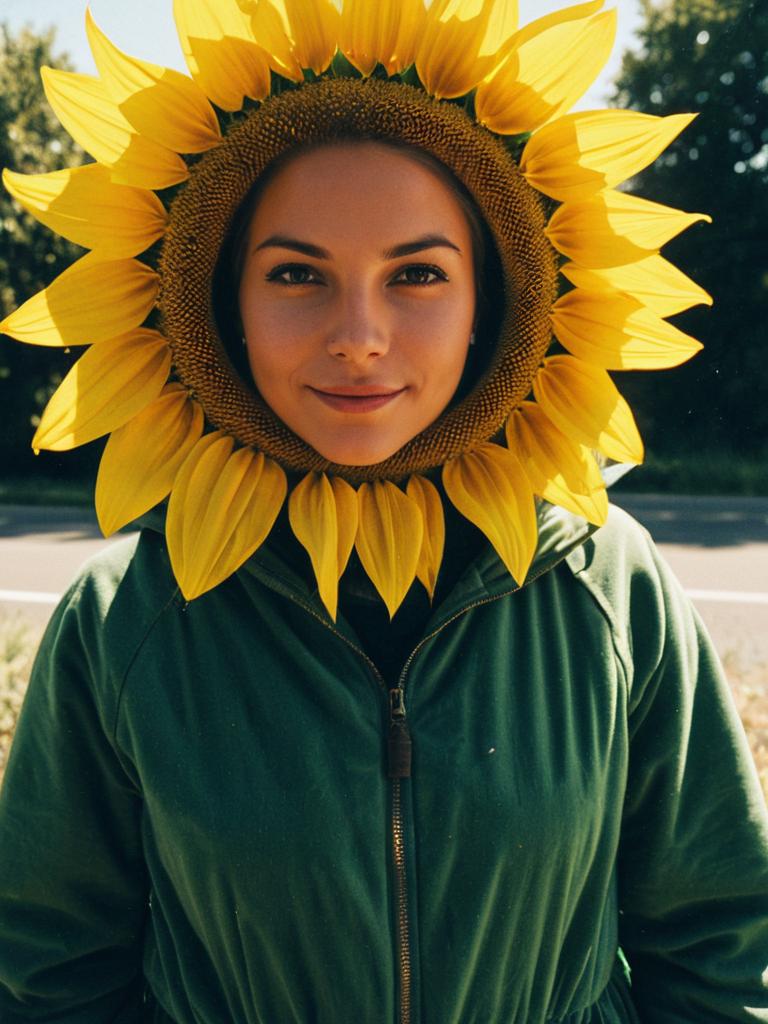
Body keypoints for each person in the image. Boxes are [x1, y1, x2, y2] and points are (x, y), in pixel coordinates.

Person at [1, 2, 767, 1021]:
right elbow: (53, 970)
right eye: (296, 274)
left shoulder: (608, 590)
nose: (359, 334)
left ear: (490, 295)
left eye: (416, 274)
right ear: (221, 298)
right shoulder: (127, 620)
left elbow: (718, 946)